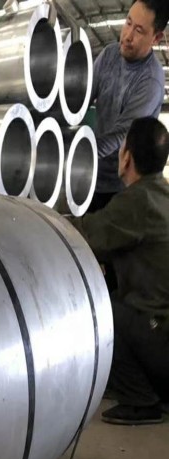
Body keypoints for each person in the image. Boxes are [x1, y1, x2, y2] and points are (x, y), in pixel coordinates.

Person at [70, 117, 169, 426]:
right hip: (161, 332)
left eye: (122, 146)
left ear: (127, 157)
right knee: (115, 300)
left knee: (99, 309)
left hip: (161, 338)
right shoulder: (160, 194)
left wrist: (36, 217)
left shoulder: (138, 201)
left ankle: (141, 401)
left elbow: (84, 235)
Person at [89, 0, 167, 212]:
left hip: (122, 187)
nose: (127, 36)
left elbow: (121, 135)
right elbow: (81, 100)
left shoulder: (150, 81)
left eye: (139, 30)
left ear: (156, 37)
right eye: (128, 23)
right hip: (91, 174)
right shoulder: (109, 55)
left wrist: (78, 155)